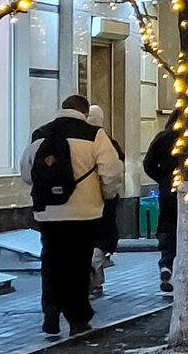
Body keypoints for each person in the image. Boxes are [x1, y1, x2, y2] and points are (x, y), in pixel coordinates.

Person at [19, 95, 123, 337]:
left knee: (52, 262)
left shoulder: (40, 134)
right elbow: (111, 171)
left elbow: (26, 171)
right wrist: (105, 195)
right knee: (77, 264)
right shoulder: (95, 134)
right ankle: (77, 318)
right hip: (84, 212)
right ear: (85, 112)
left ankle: (51, 313)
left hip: (48, 213)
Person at [86, 106, 124, 297]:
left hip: (85, 202)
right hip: (104, 201)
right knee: (98, 243)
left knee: (91, 243)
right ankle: (95, 281)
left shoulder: (83, 143)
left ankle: (93, 281)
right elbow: (115, 174)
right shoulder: (110, 145)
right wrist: (109, 194)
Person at [143, 109, 181, 293]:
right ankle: (181, 269)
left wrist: (162, 179)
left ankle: (166, 262)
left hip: (168, 189)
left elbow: (148, 164)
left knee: (167, 226)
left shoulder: (163, 137)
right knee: (187, 231)